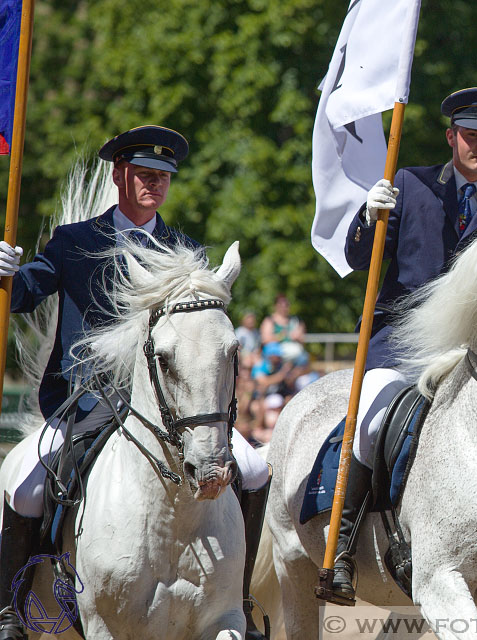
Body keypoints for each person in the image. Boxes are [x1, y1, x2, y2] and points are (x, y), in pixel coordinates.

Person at [0, 126, 270, 640]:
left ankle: (240, 596)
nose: (155, 185)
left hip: (173, 403)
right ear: (120, 175)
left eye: (164, 177)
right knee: (28, 483)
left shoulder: (183, 250)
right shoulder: (76, 242)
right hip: (87, 400)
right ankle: (9, 610)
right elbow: (24, 294)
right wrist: (5, 273)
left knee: (254, 469)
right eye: (145, 175)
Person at [331, 87, 477, 602]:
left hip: (474, 351)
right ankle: (343, 548)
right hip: (404, 341)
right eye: (471, 136)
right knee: (370, 423)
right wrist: (367, 217)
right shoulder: (409, 184)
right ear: (451, 137)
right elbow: (358, 260)